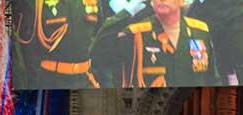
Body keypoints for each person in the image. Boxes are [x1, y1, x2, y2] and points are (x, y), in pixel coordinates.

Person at [91, 0, 219, 88]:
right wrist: (125, 14)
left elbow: (212, 78)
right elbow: (97, 54)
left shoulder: (200, 31)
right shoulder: (136, 34)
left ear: (182, 1)